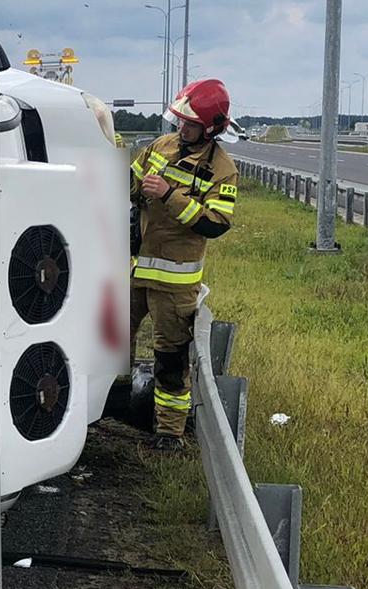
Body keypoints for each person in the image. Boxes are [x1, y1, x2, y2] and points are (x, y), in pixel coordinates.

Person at [127, 78, 240, 451]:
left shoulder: (222, 170)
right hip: (135, 268)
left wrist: (170, 195)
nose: (181, 128)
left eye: (189, 124)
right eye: (179, 121)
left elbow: (215, 224)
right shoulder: (161, 145)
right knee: (110, 337)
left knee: (170, 358)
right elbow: (131, 183)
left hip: (175, 281)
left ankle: (170, 433)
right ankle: (112, 403)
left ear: (210, 129)